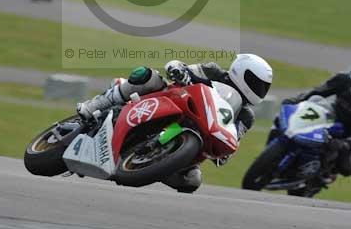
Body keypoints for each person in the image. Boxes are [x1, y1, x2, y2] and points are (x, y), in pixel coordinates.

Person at [77, 53, 273, 193]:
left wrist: (224, 152)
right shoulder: (213, 71)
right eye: (257, 83)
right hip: (169, 101)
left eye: (264, 87)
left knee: (192, 181)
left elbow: (234, 137)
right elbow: (178, 65)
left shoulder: (246, 116)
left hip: (194, 132)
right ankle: (95, 105)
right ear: (242, 71)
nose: (259, 90)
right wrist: (180, 71)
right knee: (147, 76)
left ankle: (151, 166)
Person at [271, 70, 351, 195]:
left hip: (347, 133)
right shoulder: (344, 79)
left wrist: (346, 143)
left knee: (345, 161)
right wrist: (297, 101)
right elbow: (317, 92)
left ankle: (321, 174)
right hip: (330, 115)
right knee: (283, 118)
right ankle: (274, 150)